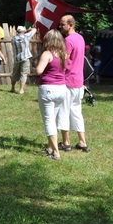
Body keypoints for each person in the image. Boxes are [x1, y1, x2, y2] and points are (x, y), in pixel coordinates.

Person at [58, 15, 90, 153]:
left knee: (63, 111)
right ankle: (82, 142)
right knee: (77, 111)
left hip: (68, 80)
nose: (60, 27)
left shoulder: (68, 40)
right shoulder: (80, 38)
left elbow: (64, 60)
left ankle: (66, 143)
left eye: (62, 24)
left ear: (70, 25)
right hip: (79, 81)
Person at [35, 29, 68, 160]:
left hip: (48, 89)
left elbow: (39, 70)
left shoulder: (47, 54)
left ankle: (55, 152)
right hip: (62, 89)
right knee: (53, 119)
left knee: (49, 121)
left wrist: (36, 64)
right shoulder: (63, 54)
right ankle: (50, 148)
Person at [11, 25, 37, 94]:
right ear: (23, 31)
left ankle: (12, 88)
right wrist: (28, 30)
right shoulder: (26, 36)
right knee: (24, 74)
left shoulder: (13, 39)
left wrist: (25, 31)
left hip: (17, 58)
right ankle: (21, 90)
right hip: (25, 57)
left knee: (15, 73)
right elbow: (34, 30)